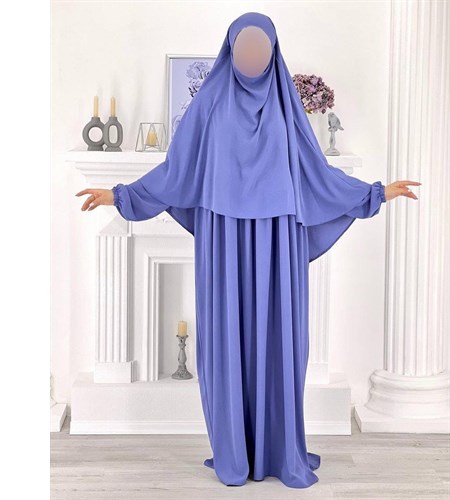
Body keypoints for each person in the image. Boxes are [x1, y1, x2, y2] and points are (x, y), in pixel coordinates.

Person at [76, 11, 420, 489]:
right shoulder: (210, 104)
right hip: (224, 244)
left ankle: (278, 452)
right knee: (225, 347)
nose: (253, 56)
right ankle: (234, 455)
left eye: (262, 49)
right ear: (230, 49)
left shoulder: (287, 107)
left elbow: (317, 173)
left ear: (274, 53)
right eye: (244, 48)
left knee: (280, 347)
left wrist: (376, 193)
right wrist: (120, 195)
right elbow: (177, 170)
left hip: (278, 244)